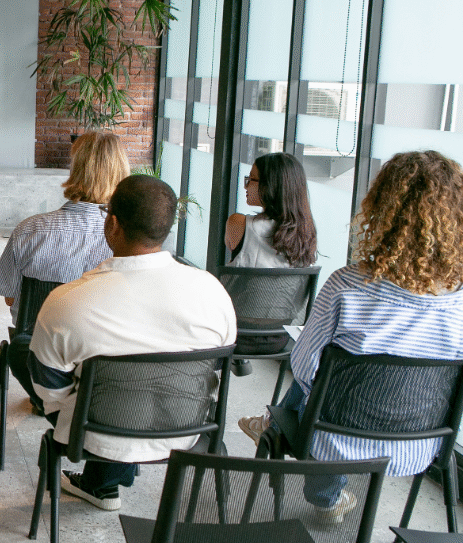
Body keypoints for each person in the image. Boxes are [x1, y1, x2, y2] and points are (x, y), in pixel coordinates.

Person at [238, 150, 463, 522]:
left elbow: (304, 367)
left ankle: (289, 445)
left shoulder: (348, 286)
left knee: (317, 380)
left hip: (334, 440)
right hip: (420, 447)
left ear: (382, 211)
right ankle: (291, 447)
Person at [28, 175, 236, 511]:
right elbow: (218, 370)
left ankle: (104, 480)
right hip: (188, 431)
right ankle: (105, 481)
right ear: (167, 228)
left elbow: (48, 389)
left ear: (111, 224)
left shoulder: (69, 301)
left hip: (95, 435)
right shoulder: (212, 292)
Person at [0, 131, 130, 413]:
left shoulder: (29, 230)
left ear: (74, 169)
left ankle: (49, 400)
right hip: (107, 356)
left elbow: (10, 299)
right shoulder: (130, 238)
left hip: (40, 354)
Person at [223, 152, 317, 369]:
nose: (246, 186)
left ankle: (235, 361)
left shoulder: (238, 223)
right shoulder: (306, 234)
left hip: (235, 335)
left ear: (271, 186)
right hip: (280, 337)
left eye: (251, 180)